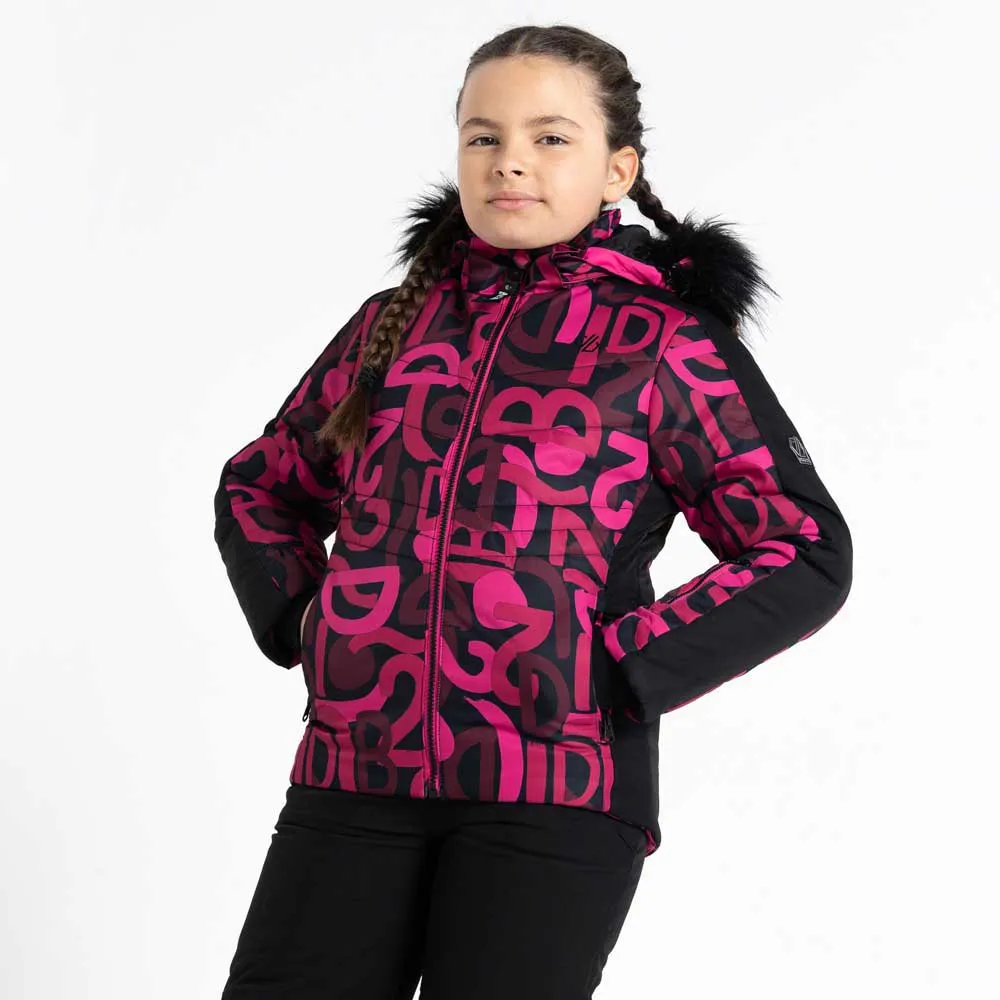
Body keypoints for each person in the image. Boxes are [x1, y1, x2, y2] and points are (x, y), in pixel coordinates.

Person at [212, 22, 853, 1000]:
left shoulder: (665, 345)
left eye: (550, 137)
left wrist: (621, 665)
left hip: (556, 789)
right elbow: (262, 483)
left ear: (617, 169)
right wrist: (308, 619)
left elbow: (803, 549)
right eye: (484, 136)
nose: (510, 159)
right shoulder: (394, 326)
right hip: (353, 770)